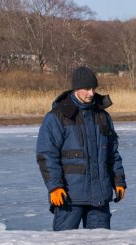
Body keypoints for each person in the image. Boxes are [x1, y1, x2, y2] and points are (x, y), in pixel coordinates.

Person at [36, 66, 126, 231]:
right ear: (76, 88)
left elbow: (112, 153)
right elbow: (46, 156)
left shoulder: (102, 116)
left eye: (93, 88)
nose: (91, 93)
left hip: (99, 198)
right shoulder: (57, 117)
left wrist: (118, 181)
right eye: (86, 89)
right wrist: (55, 187)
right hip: (69, 198)